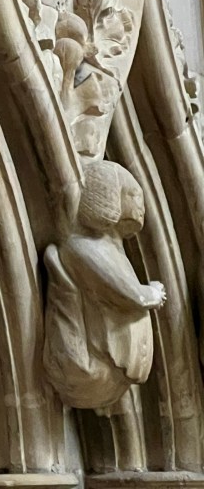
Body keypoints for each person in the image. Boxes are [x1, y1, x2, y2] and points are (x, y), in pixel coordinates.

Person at [44, 158, 164, 410]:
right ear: (110, 194)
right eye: (132, 194)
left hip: (111, 375)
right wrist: (151, 292)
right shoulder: (83, 247)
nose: (140, 205)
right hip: (91, 370)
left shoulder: (111, 250)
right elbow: (130, 295)